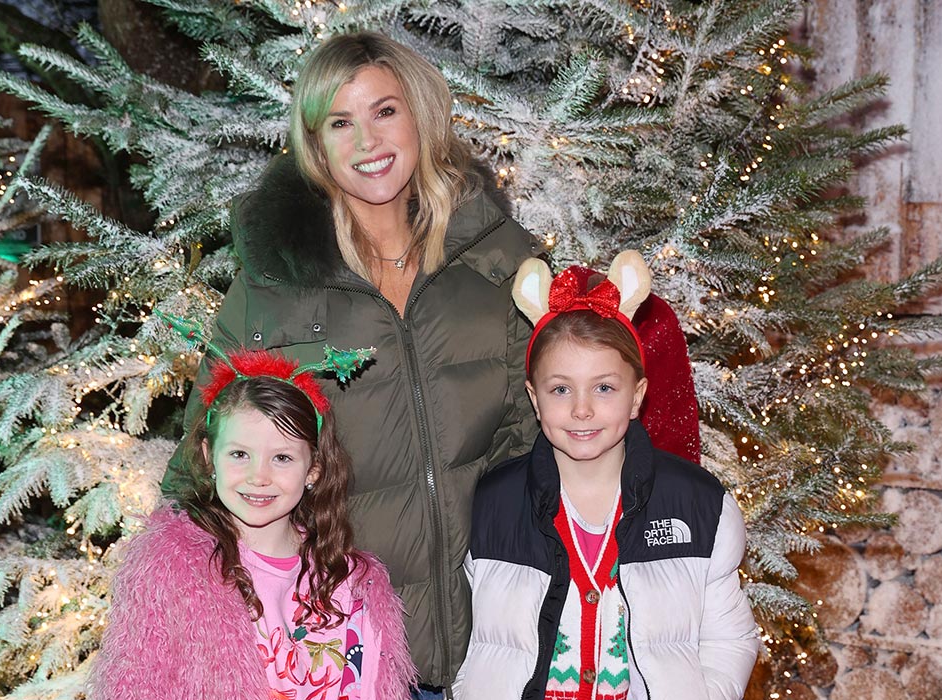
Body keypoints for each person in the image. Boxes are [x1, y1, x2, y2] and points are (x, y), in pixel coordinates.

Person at [160, 32, 540, 690]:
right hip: (348, 655)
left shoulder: (495, 256)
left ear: (420, 114)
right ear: (315, 144)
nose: (368, 142)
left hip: (501, 644)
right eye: (341, 122)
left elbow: (542, 430)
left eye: (384, 111)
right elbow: (205, 457)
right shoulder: (275, 284)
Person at [454, 252, 760, 699]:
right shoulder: (490, 504)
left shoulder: (699, 506)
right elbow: (469, 640)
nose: (582, 409)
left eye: (604, 388)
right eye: (560, 389)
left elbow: (729, 640)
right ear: (534, 400)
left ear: (637, 396)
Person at [92, 347, 416, 700]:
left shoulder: (353, 582)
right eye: (239, 454)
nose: (258, 476)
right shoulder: (173, 573)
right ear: (209, 456)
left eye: (282, 457)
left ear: (313, 469)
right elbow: (136, 688)